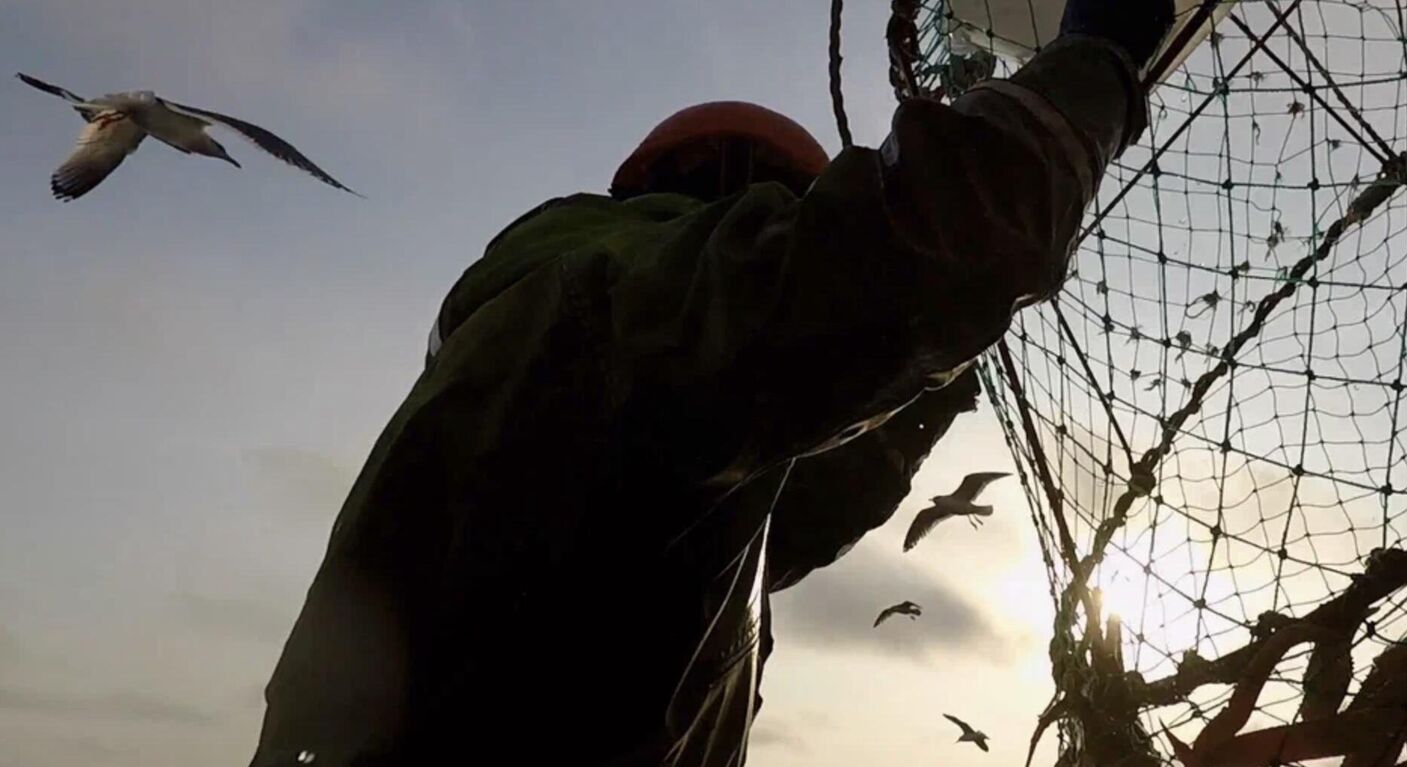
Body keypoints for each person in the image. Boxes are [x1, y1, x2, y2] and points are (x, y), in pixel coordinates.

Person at [247, 1, 1174, 764]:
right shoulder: (616, 324)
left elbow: (791, 510)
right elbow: (898, 257)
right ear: (745, 208)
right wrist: (1092, 67)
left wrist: (926, 387)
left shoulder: (567, 401)